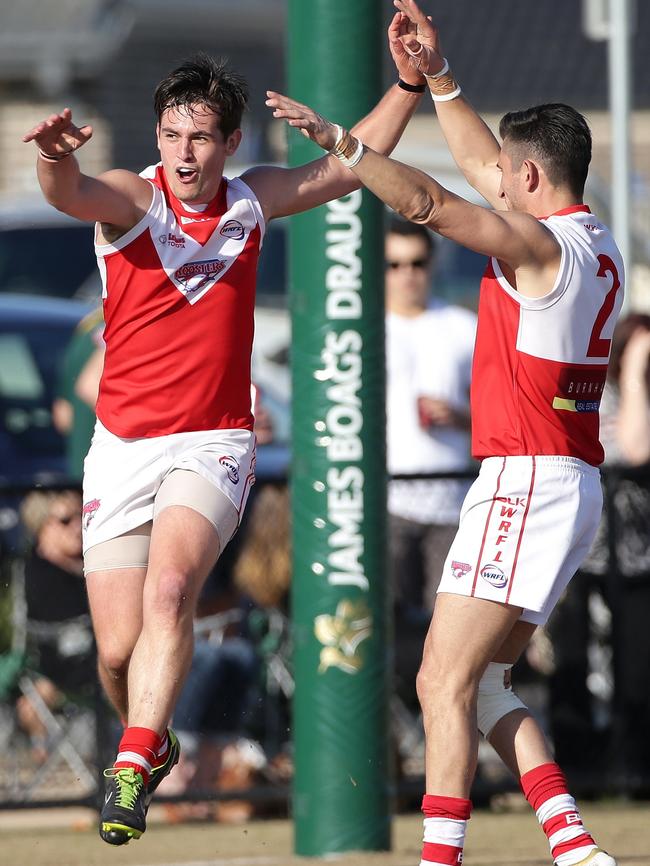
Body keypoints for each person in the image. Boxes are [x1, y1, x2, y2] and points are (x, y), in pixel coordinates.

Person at [22, 17, 425, 845]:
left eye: (200, 137)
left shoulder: (252, 198)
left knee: (173, 592)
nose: (183, 152)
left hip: (211, 443)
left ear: (230, 140)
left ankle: (132, 766)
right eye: (171, 134)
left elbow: (349, 170)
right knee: (116, 651)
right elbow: (68, 193)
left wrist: (412, 84)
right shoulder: (135, 202)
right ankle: (154, 734)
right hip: (122, 451)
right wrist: (54, 154)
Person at [267, 2, 624, 864]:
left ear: (529, 180)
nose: (488, 175)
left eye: (503, 170)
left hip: (526, 479)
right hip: (566, 481)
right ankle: (574, 848)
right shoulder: (593, 237)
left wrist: (345, 146)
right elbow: (470, 162)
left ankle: (439, 860)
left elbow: (428, 199)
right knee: (489, 683)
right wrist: (441, 77)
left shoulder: (536, 248)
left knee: (441, 680)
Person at [548, 313, 650, 792]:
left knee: (636, 665)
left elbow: (636, 445)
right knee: (574, 660)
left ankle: (633, 768)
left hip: (636, 558)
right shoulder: (594, 391)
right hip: (580, 550)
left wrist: (636, 379)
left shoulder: (637, 398)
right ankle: (579, 770)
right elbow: (624, 450)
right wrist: (628, 373)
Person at [384, 217, 476, 716]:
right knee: (389, 631)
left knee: (451, 634)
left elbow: (502, 415)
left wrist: (460, 416)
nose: (406, 275)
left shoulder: (463, 328)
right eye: (393, 265)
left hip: (451, 503)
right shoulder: (361, 327)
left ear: (432, 265)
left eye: (416, 263)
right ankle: (402, 743)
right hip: (388, 501)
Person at [16, 490, 94, 762]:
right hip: (68, 665)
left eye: (80, 517)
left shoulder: (91, 565)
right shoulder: (39, 573)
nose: (76, 527)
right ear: (42, 526)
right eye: (65, 520)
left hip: (90, 662)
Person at [52, 307, 104, 482]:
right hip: (110, 468)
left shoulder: (86, 327)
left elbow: (63, 416)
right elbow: (90, 386)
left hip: (80, 471)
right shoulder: (120, 325)